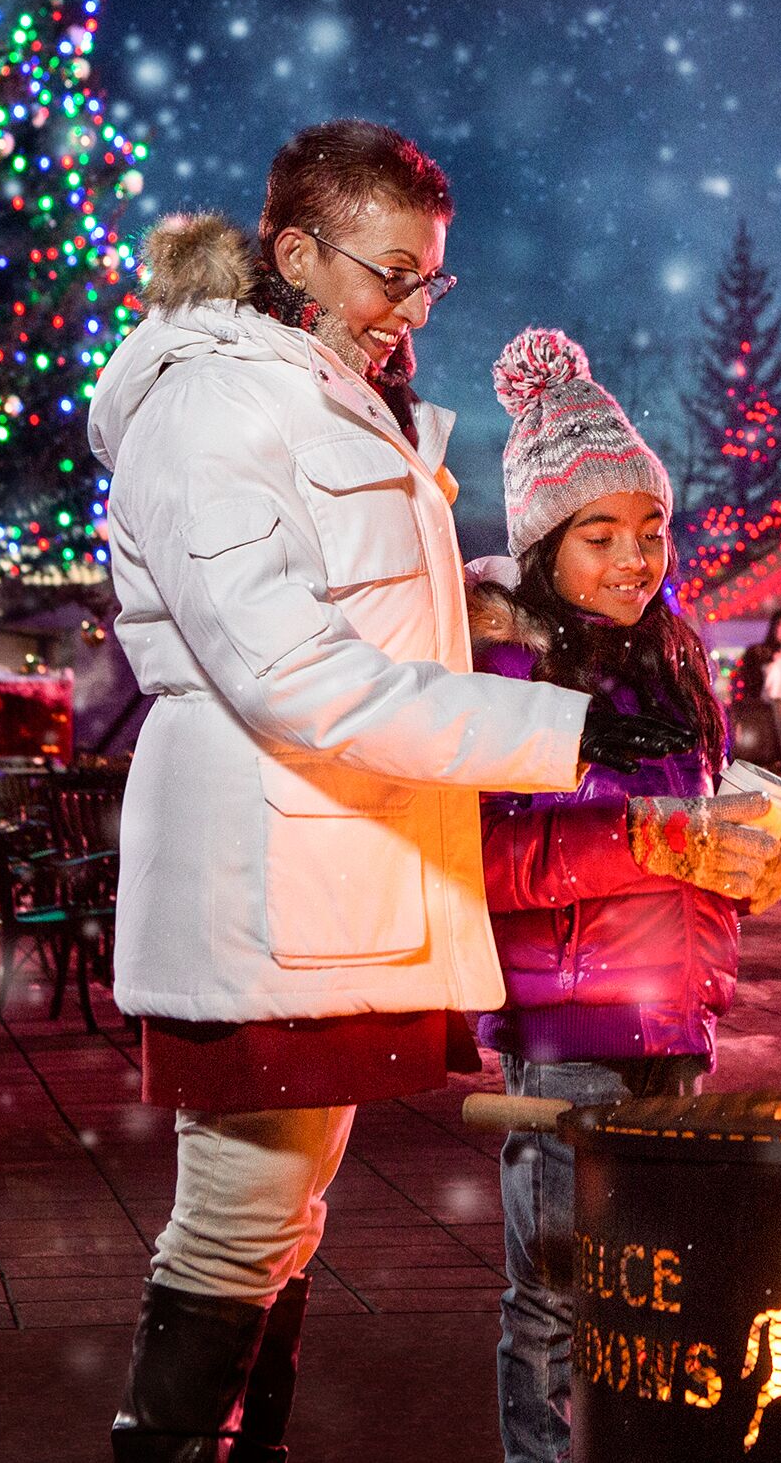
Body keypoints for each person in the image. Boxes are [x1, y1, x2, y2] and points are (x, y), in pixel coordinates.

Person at [86, 121, 689, 1463]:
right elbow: (290, 667)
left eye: (431, 279)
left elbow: (371, 619)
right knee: (242, 1205)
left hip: (332, 870)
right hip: (264, 864)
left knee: (282, 1208)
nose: (411, 309)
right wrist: (558, 727)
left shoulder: (327, 394)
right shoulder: (212, 401)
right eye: (391, 273)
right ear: (296, 250)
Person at [467, 326, 781, 1463]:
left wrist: (746, 863)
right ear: (544, 542)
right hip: (567, 1038)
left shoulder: (675, 655)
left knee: (660, 1289)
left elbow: (694, 852)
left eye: (650, 529)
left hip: (676, 1026)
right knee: (557, 1297)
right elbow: (491, 859)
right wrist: (660, 837)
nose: (632, 557)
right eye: (598, 533)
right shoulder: (507, 666)